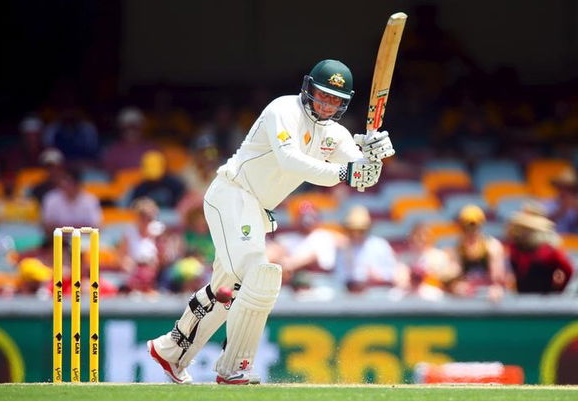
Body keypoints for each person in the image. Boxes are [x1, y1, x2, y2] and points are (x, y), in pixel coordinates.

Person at [146, 59, 395, 384]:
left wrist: (373, 156)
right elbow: (291, 161)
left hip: (254, 210)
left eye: (335, 100)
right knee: (259, 275)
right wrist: (348, 172)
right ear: (308, 90)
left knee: (227, 291)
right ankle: (234, 368)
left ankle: (171, 351)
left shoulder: (336, 133)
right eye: (322, 95)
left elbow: (361, 175)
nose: (327, 104)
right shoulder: (283, 110)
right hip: (231, 194)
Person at [334, 206, 401, 293]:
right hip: (350, 293)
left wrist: (378, 275)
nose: (356, 234)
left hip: (379, 291)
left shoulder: (379, 245)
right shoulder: (343, 248)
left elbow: (394, 271)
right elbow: (339, 276)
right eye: (352, 230)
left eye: (360, 230)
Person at [506, 210, 574, 294]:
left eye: (526, 230)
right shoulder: (515, 248)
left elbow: (568, 270)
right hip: (521, 297)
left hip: (544, 299)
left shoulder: (550, 252)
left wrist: (558, 290)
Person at [448, 204, 506, 300]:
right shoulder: (456, 249)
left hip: (487, 292)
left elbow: (498, 279)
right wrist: (456, 286)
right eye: (466, 227)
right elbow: (455, 277)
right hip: (466, 293)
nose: (471, 231)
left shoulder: (492, 246)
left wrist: (495, 288)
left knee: (496, 292)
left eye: (474, 226)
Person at [545, 168, 578, 234]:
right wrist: (562, 209)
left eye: (571, 189)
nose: (566, 191)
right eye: (563, 187)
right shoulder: (547, 204)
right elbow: (543, 223)